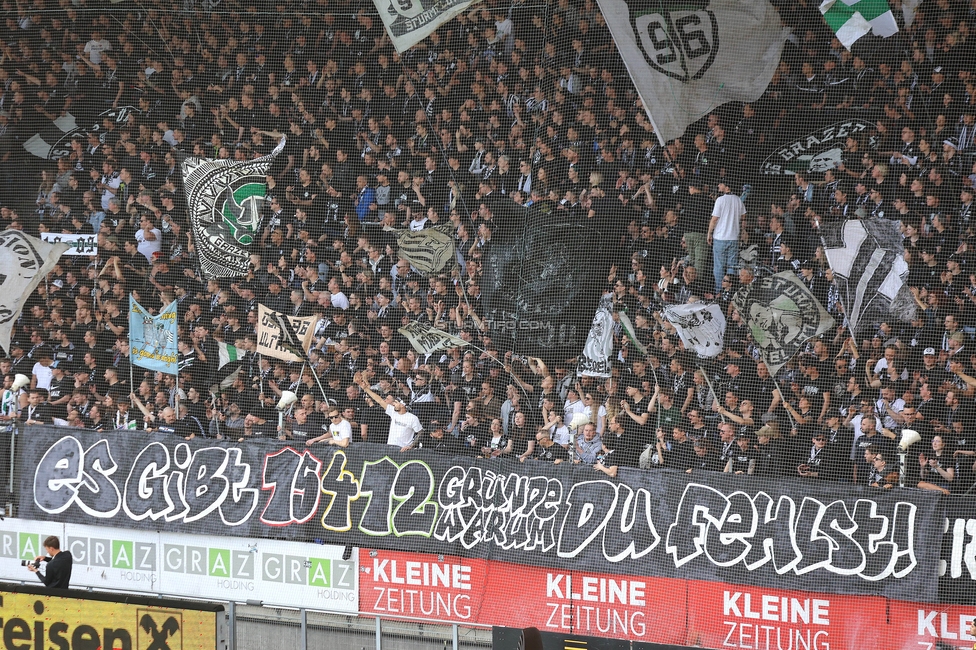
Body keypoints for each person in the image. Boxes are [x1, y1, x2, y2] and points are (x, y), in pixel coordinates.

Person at [355, 373, 423, 447]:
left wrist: (411, 445)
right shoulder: (393, 412)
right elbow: (379, 400)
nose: (393, 404)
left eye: (396, 403)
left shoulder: (412, 418)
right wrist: (366, 389)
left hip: (403, 451)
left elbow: (420, 432)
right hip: (389, 449)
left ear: (402, 405)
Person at [707, 182, 746, 293]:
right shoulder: (738, 200)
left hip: (720, 237)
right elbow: (744, 216)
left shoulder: (720, 200)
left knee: (719, 267)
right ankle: (730, 291)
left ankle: (719, 292)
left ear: (727, 186)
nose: (718, 185)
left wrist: (709, 233)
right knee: (732, 266)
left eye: (721, 184)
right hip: (734, 237)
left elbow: (714, 219)